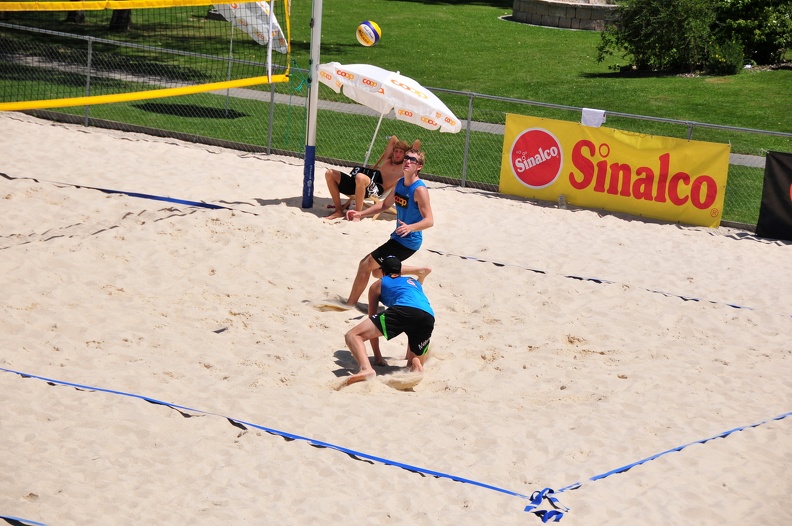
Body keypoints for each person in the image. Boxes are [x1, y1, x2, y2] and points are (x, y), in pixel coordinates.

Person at [343, 256, 434, 386]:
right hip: (428, 316)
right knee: (411, 367)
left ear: (382, 272)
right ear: (400, 271)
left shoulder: (378, 284)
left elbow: (372, 317)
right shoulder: (413, 282)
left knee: (353, 335)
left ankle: (366, 369)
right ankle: (415, 363)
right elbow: (415, 310)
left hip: (404, 310)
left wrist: (378, 357)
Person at [324, 136, 421, 221]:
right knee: (330, 174)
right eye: (396, 151)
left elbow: (417, 143)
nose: (397, 154)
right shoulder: (387, 160)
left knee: (360, 177)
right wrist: (400, 145)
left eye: (401, 152)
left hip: (376, 190)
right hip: (361, 183)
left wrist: (407, 150)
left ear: (405, 155)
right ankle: (338, 211)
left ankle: (357, 214)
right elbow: (393, 138)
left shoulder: (403, 166)